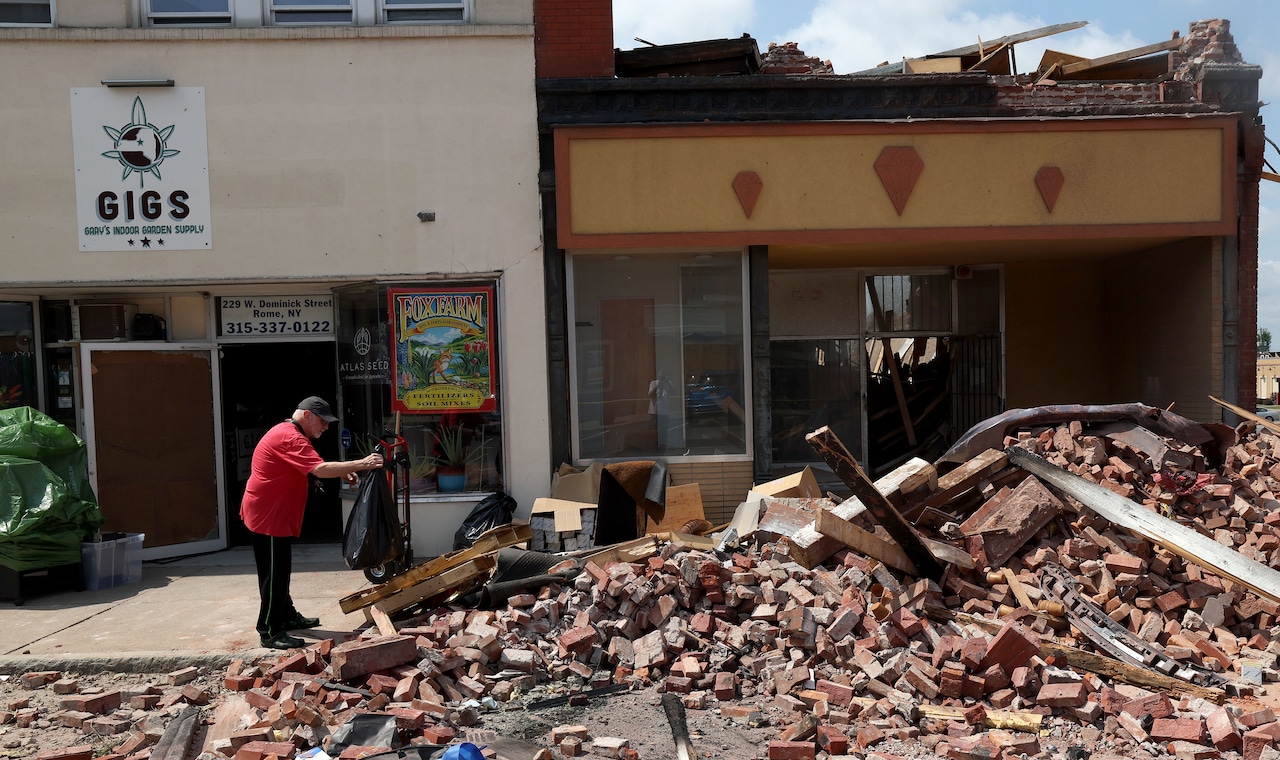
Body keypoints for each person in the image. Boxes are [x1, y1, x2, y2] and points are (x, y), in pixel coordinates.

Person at [241, 396, 383, 649]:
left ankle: (286, 615)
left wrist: (341, 470)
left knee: (279, 571)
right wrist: (363, 463)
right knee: (274, 575)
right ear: (307, 415)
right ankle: (270, 630)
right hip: (268, 516)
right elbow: (320, 469)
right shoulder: (290, 437)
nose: (326, 427)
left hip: (272, 514)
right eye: (323, 422)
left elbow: (313, 466)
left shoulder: (290, 433)